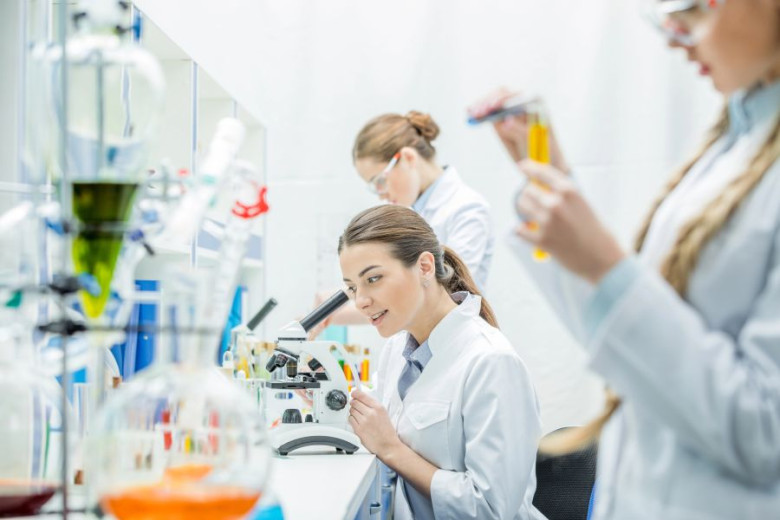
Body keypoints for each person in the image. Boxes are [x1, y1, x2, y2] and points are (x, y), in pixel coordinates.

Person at [470, 1, 780, 518]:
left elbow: (763, 432)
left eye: (694, 7)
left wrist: (607, 267)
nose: (674, 34)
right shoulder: (733, 147)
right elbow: (625, 337)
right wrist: (558, 197)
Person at [339, 205, 545, 520]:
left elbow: (491, 510)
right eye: (353, 287)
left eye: (374, 278)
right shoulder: (398, 350)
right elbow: (380, 421)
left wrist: (392, 450)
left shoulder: (490, 362)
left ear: (424, 267)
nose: (361, 300)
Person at [311, 110, 495, 335]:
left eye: (380, 181)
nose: (380, 194)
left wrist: (340, 310)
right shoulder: (412, 213)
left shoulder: (466, 209)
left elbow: (446, 288)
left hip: (455, 338)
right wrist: (342, 298)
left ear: (408, 158)